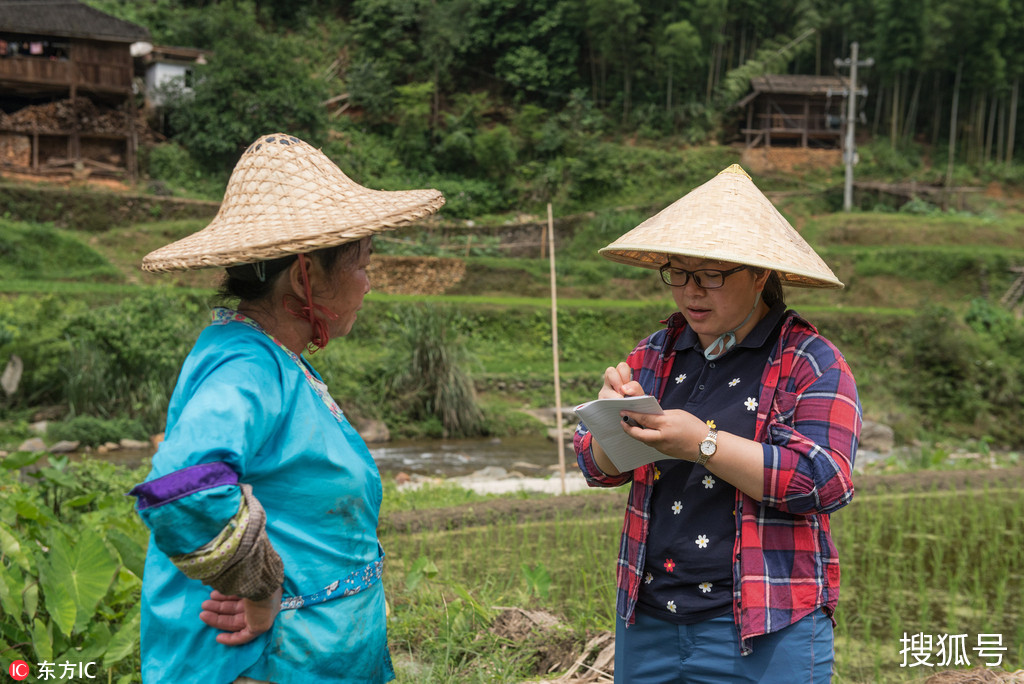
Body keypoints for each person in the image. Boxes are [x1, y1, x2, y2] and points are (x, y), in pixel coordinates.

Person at [128, 133, 444, 684]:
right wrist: (261, 583)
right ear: (305, 275)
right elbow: (186, 485)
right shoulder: (245, 367)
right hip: (263, 663)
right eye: (363, 263)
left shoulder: (277, 360)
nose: (369, 285)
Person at [574, 164, 860, 683]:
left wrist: (701, 444)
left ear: (759, 276)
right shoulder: (656, 353)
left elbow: (825, 480)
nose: (691, 292)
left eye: (711, 275)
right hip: (650, 618)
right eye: (679, 273)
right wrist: (613, 427)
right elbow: (596, 466)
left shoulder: (809, 360)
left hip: (766, 625)